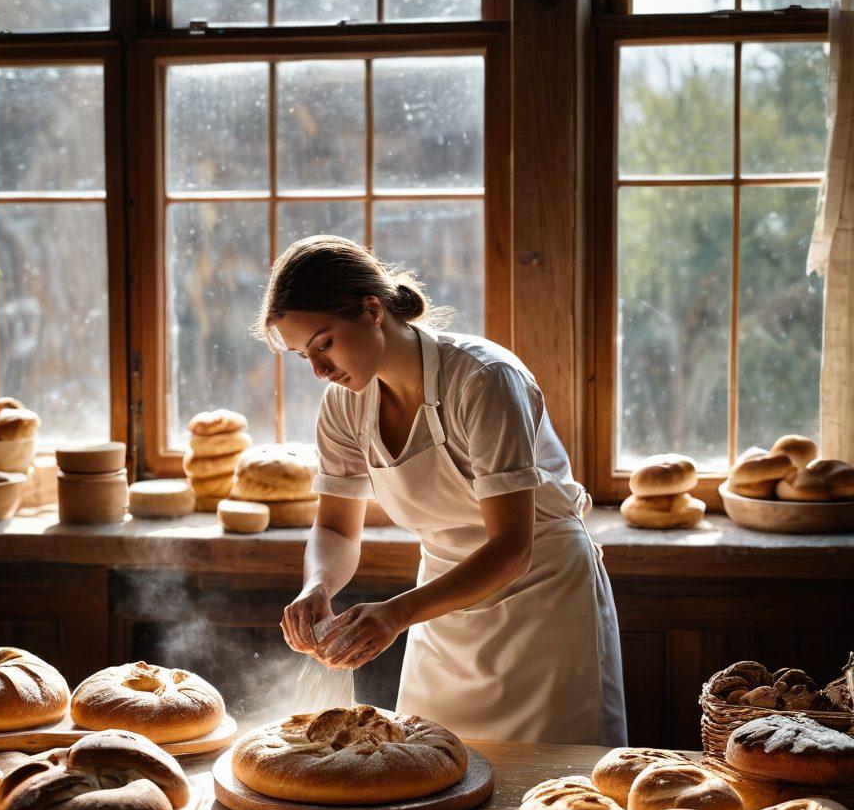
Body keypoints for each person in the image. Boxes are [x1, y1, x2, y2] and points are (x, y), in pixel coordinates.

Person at [256, 235, 626, 745]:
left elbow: (511, 548)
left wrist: (396, 613)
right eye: (304, 356)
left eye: (324, 343)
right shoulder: (345, 403)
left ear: (371, 311)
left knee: (551, 792)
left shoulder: (483, 380)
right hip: (441, 606)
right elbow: (336, 527)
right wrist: (316, 586)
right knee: (435, 772)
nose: (320, 370)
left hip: (545, 602)